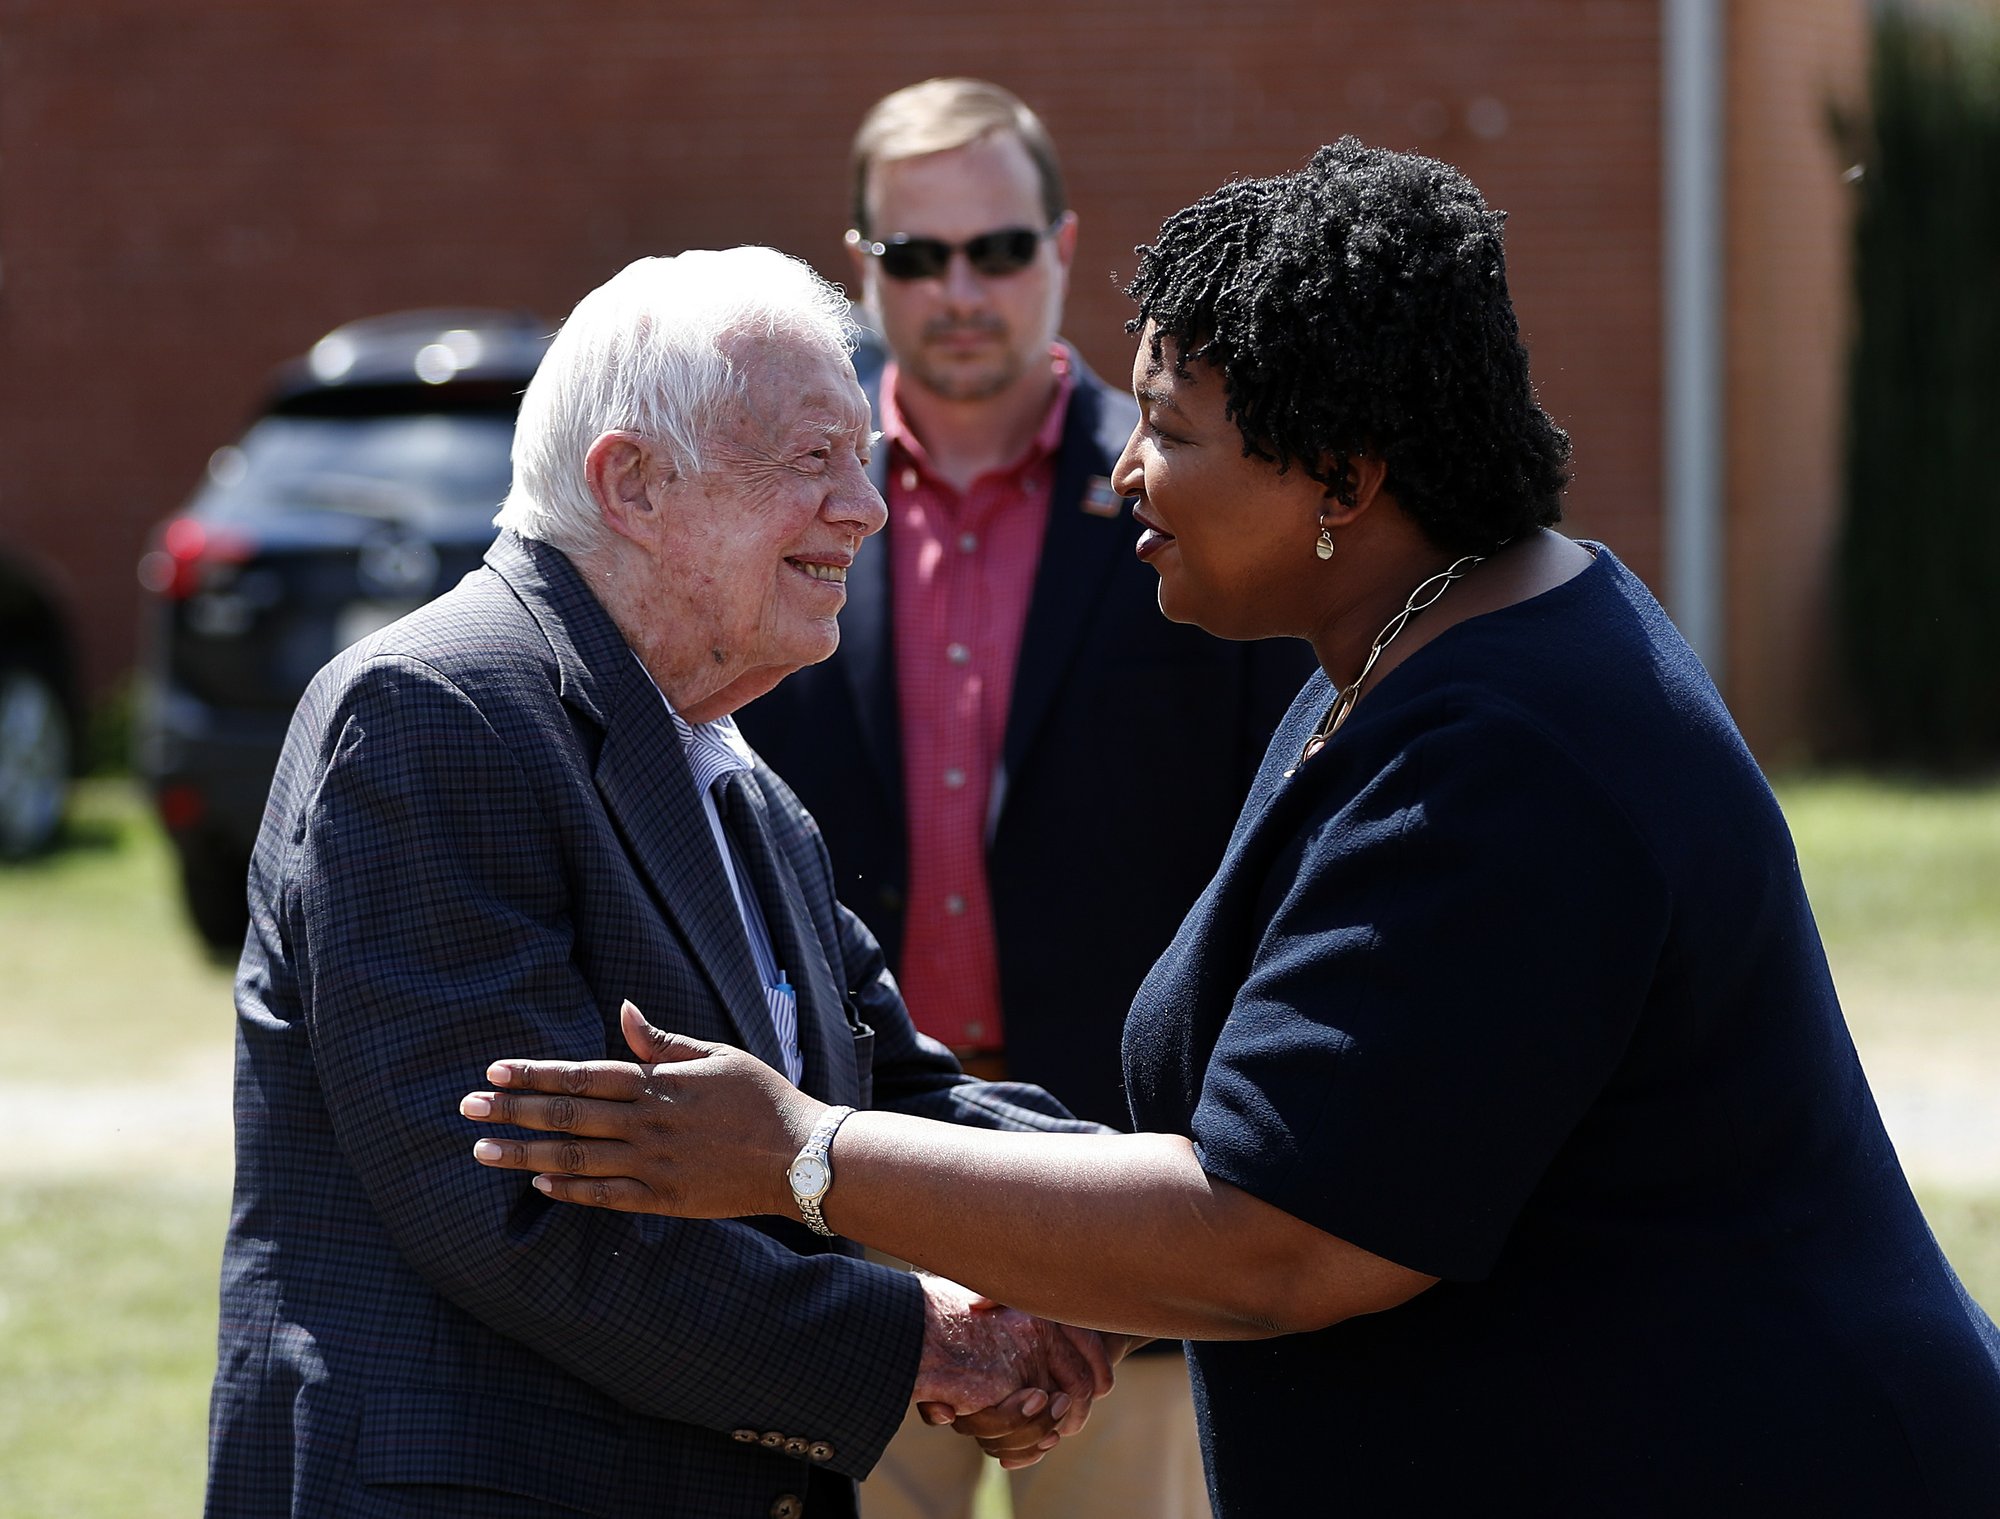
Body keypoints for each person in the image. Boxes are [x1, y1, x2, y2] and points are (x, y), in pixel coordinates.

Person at [463, 141, 2000, 1515]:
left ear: (1343, 475)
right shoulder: (1401, 653)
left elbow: (1283, 1233)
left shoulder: (1513, 744)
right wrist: (1051, 1286)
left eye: (1177, 432)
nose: (1126, 470)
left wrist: (804, 1154)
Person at [204, 248, 1125, 1519]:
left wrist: (1168, 1227)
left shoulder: (729, 769)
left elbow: (896, 1095)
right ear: (630, 480)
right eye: (813, 459)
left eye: (859, 458)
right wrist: (928, 1334)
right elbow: (519, 1215)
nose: (865, 506)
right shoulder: (436, 714)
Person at [737, 77, 1304, 1519]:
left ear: (1059, 244)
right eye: (916, 256)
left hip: (1128, 1199)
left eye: (995, 248)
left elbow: (1282, 842)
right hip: (847, 1211)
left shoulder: (1196, 483)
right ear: (861, 263)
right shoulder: (782, 501)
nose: (960, 289)